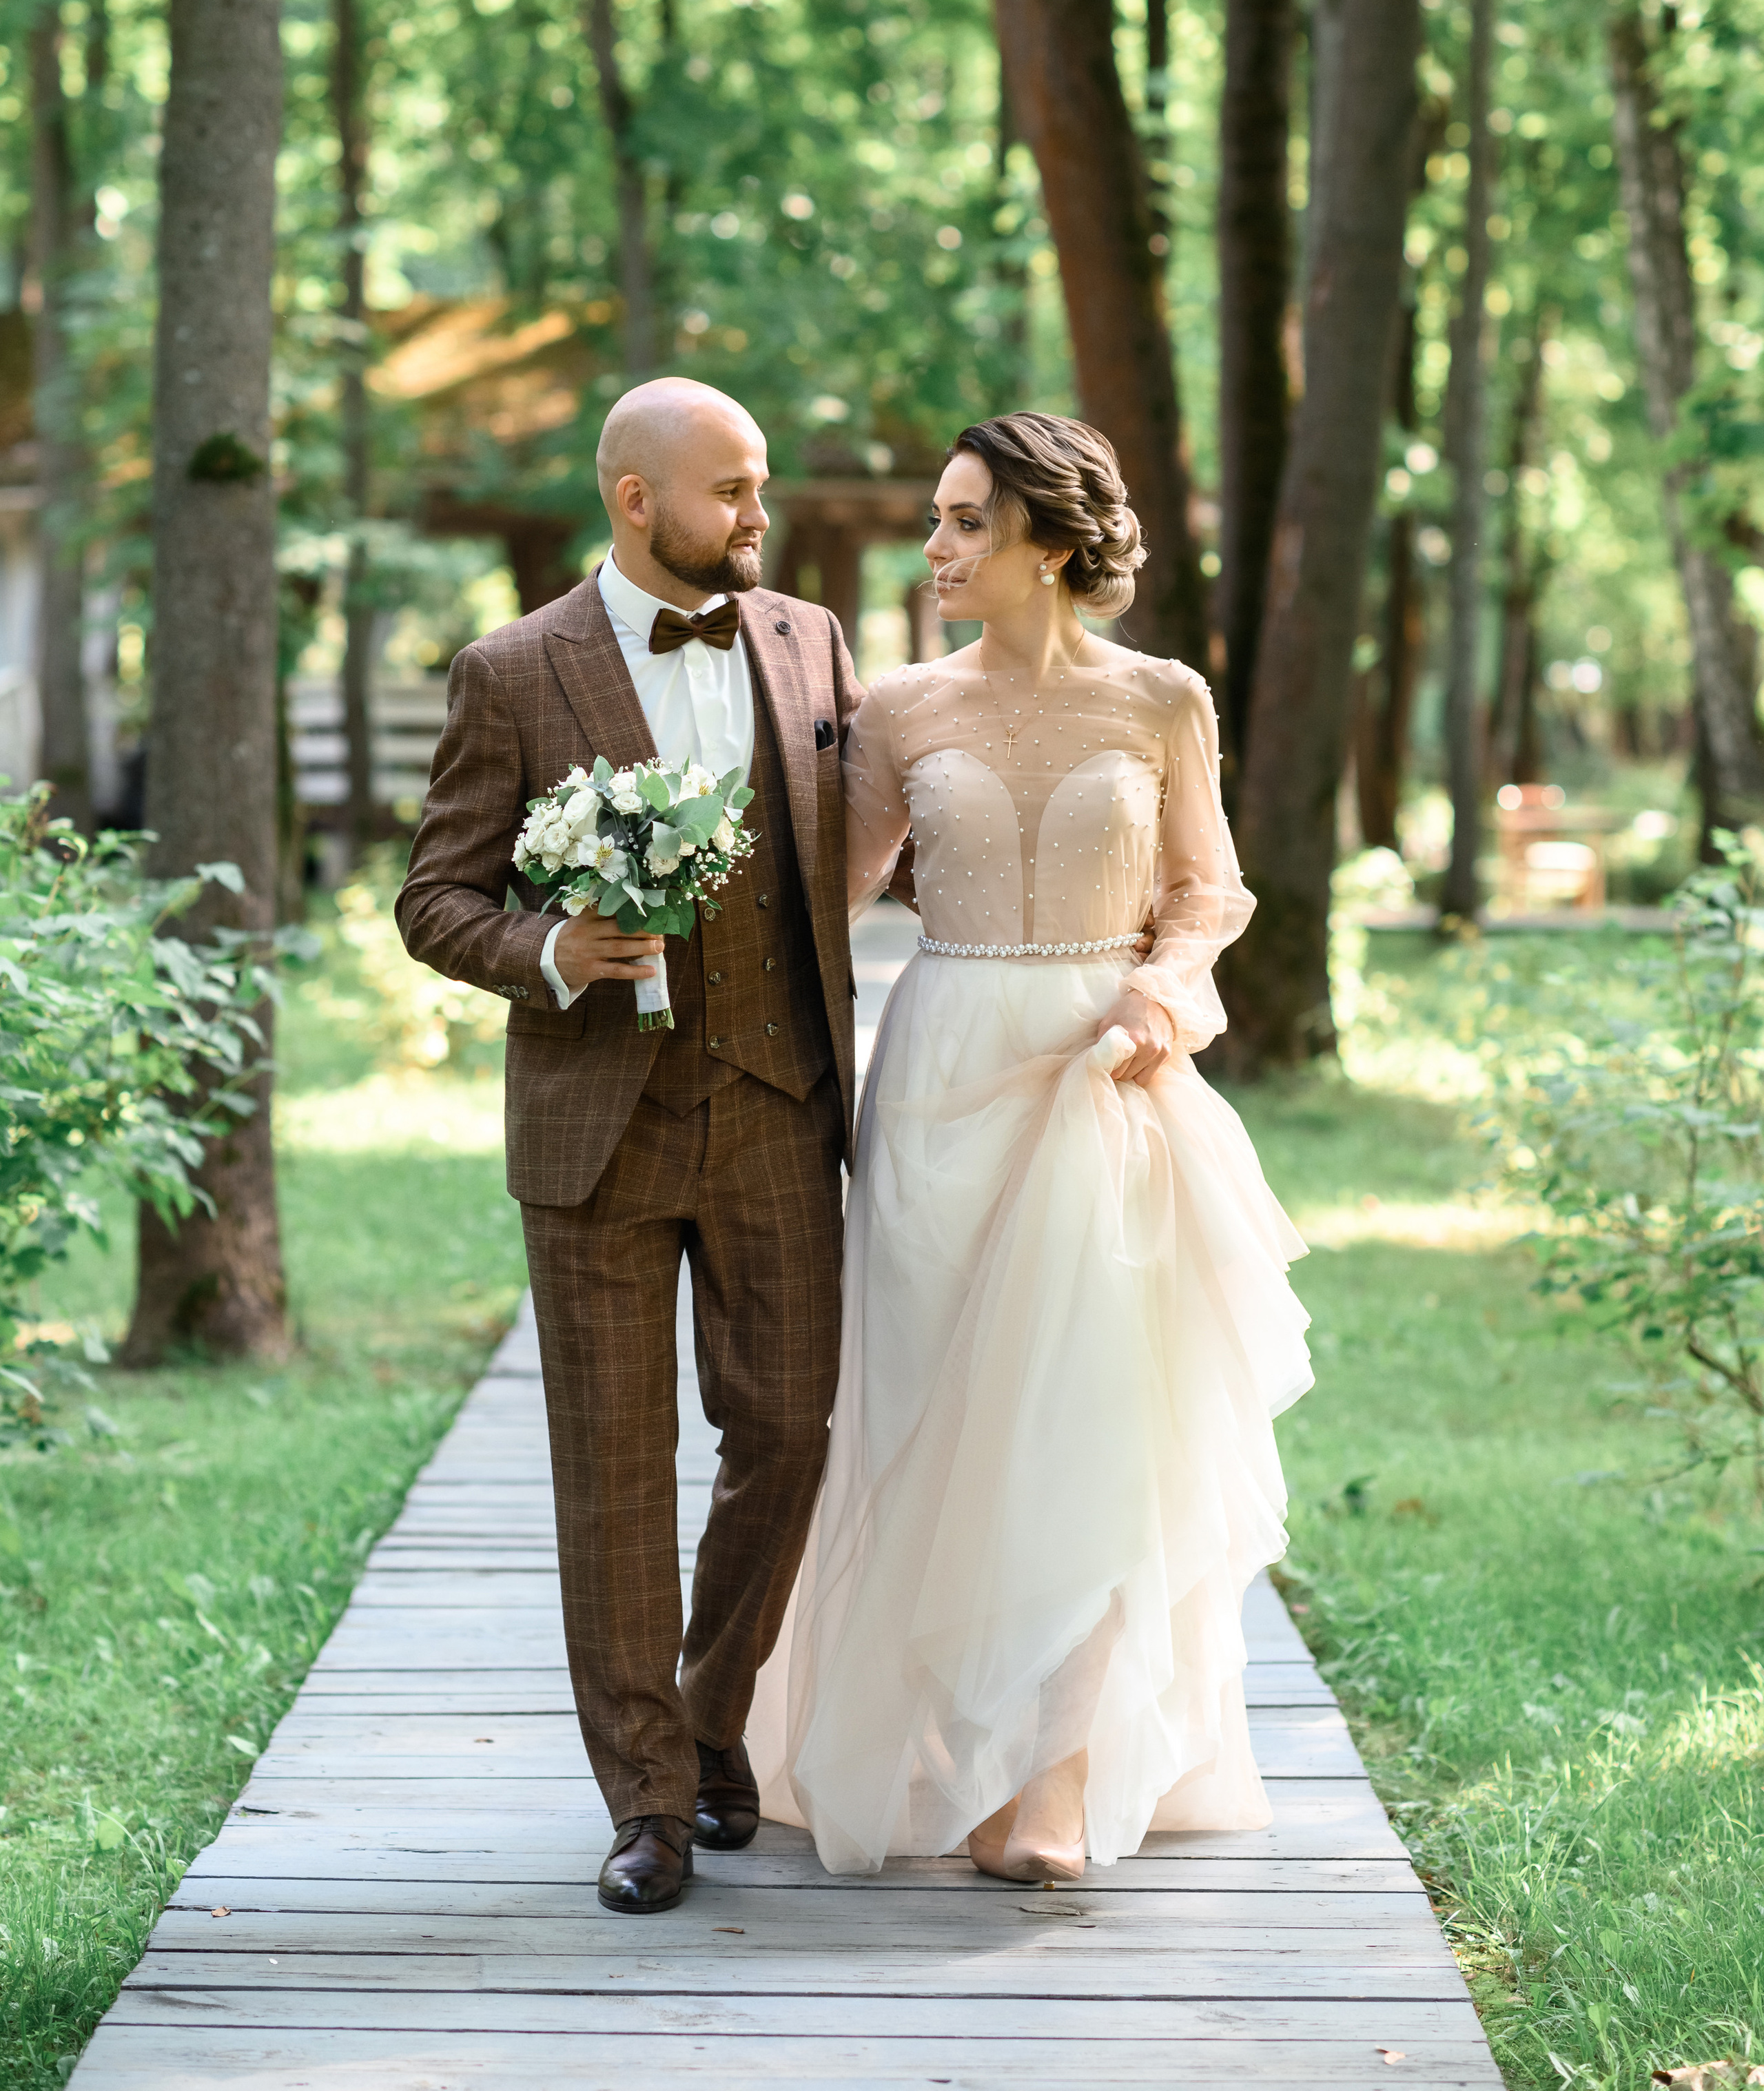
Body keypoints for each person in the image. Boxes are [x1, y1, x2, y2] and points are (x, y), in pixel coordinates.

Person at [746, 411, 1313, 1880]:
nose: (933, 548)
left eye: (963, 523)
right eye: (936, 521)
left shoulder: (1161, 701)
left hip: (1105, 1076)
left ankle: (1052, 1784)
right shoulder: (900, 711)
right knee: (940, 1413)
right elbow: (825, 890)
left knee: (1091, 1417)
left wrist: (1157, 999)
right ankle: (958, 1753)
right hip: (938, 1071)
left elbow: (1207, 893)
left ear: (1051, 543)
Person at [396, 380, 860, 1916]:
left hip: (777, 1106)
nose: (757, 514)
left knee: (785, 1434)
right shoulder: (512, 669)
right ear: (634, 498)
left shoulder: (806, 641)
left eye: (761, 485)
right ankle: (649, 1799)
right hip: (594, 1127)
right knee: (609, 1475)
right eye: (730, 488)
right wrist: (548, 948)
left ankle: (710, 1708)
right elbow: (433, 898)